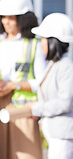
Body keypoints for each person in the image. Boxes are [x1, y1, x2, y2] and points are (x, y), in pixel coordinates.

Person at [0, 0, 47, 159]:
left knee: (27, 154)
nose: (6, 22)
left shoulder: (35, 44)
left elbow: (42, 82)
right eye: (3, 17)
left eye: (11, 18)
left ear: (23, 19)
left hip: (24, 110)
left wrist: (15, 85)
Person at [28, 13, 73, 159]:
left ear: (54, 41)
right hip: (54, 134)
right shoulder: (53, 65)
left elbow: (64, 103)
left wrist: (37, 108)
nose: (41, 44)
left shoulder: (66, 67)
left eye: (44, 40)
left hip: (63, 136)